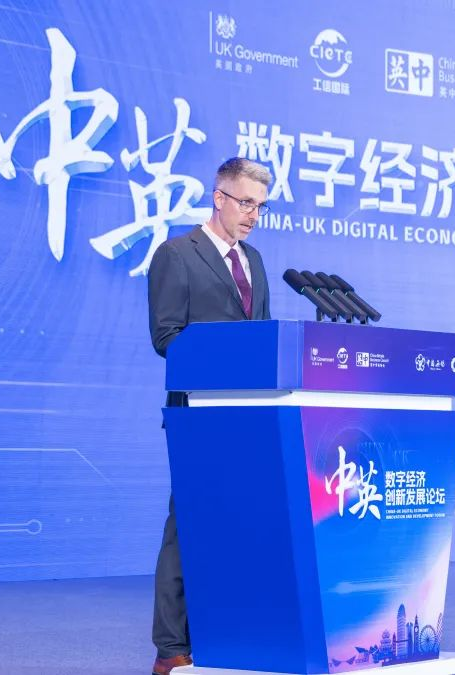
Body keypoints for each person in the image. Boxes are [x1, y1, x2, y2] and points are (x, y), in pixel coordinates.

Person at [146, 157, 273, 675]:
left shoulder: (255, 260)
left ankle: (224, 633)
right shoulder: (177, 255)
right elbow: (166, 338)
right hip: (198, 418)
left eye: (260, 206)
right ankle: (171, 647)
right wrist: (226, 357)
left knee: (239, 526)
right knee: (187, 529)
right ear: (218, 198)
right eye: (245, 203)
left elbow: (262, 337)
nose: (252, 215)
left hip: (250, 418)